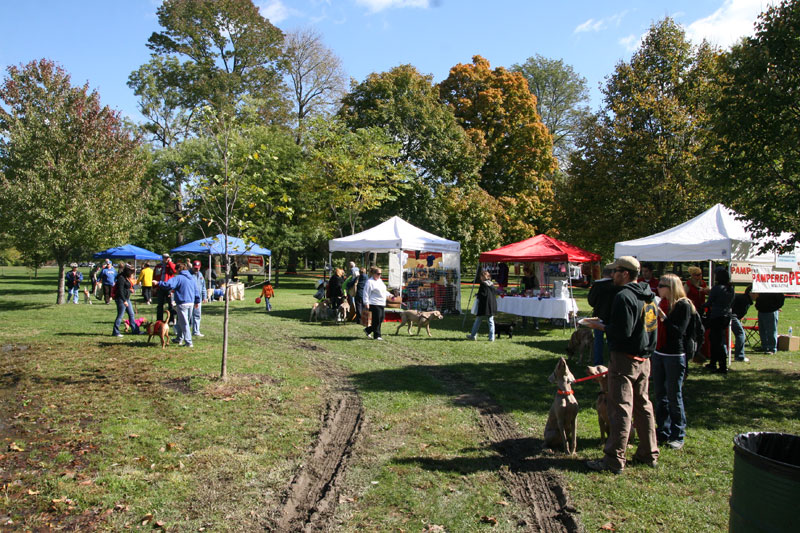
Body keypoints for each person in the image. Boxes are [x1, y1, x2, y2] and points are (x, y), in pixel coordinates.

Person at [585, 256, 659, 474]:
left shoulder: (624, 297)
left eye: (615, 271)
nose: (612, 275)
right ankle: (648, 453)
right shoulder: (649, 295)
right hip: (644, 358)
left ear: (625, 274)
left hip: (624, 359)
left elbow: (622, 331)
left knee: (620, 408)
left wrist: (600, 326)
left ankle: (614, 459)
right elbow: (652, 326)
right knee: (643, 406)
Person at [653, 273, 693, 450]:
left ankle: (678, 434)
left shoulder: (683, 305)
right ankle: (663, 430)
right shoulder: (661, 303)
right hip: (659, 352)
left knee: (673, 395)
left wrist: (663, 317)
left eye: (662, 285)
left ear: (671, 288)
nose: (658, 288)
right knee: (660, 395)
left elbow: (679, 332)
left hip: (674, 356)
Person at [154, 262, 199, 347]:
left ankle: (189, 342)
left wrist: (158, 283)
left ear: (178, 269)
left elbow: (169, 284)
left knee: (184, 323)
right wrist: (197, 301)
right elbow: (196, 290)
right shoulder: (191, 278)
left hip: (182, 303)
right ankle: (179, 338)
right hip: (191, 302)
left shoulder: (178, 278)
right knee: (180, 321)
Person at [588, 264, 622, 364]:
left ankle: (598, 363)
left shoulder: (597, 285)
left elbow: (591, 302)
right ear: (612, 274)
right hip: (612, 317)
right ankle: (614, 362)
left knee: (598, 342)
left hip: (599, 316)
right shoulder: (617, 286)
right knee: (612, 342)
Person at [704, 267, 735, 374]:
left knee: (716, 341)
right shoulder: (730, 288)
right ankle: (714, 363)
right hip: (726, 316)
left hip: (717, 316)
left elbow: (709, 302)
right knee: (717, 339)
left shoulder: (717, 288)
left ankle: (721, 366)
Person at [684, 266, 710, 360]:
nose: (700, 276)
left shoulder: (703, 283)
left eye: (701, 274)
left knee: (700, 331)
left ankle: (698, 351)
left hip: (701, 308)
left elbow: (708, 292)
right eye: (697, 275)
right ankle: (692, 351)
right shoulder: (688, 284)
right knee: (692, 330)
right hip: (691, 309)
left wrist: (705, 290)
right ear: (692, 275)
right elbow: (683, 294)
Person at [467, 269, 497, 341]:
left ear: (483, 277)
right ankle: (491, 337)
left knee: (478, 320)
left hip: (484, 305)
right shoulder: (492, 284)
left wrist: (477, 295)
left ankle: (473, 335)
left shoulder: (483, 284)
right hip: (491, 305)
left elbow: (483, 294)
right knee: (490, 321)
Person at [112, 265, 140, 337]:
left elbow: (128, 287)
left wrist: (137, 287)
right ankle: (115, 332)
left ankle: (135, 330)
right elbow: (120, 290)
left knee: (131, 314)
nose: (132, 274)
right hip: (121, 299)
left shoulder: (126, 278)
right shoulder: (121, 278)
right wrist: (124, 301)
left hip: (127, 298)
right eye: (131, 272)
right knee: (120, 316)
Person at [754, 290, 786, 355]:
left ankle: (772, 348)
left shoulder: (774, 288)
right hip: (761, 310)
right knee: (762, 330)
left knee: (771, 331)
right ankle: (764, 347)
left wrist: (776, 307)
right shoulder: (762, 287)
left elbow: (781, 298)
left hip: (771, 311)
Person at [364, 266, 390, 340]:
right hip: (374, 302)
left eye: (380, 274)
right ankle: (377, 335)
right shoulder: (370, 282)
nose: (380, 275)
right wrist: (366, 302)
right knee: (377, 319)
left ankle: (368, 330)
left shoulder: (380, 281)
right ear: (373, 273)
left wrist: (390, 294)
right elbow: (366, 293)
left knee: (381, 319)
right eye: (378, 274)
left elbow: (383, 291)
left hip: (381, 302)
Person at [731, 285, 753, 363]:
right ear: (751, 293)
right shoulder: (745, 300)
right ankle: (739, 356)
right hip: (732, 316)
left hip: (731, 315)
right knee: (741, 334)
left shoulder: (745, 299)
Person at [155, 253, 176, 324]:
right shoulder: (158, 266)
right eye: (165, 257)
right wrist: (155, 287)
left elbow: (174, 270)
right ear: (162, 258)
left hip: (169, 287)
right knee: (160, 305)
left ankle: (171, 320)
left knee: (170, 304)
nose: (166, 259)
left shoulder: (170, 265)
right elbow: (155, 276)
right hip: (160, 287)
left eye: (167, 257)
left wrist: (169, 263)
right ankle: (159, 320)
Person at [520, 264, 540, 330]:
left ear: (529, 272)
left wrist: (532, 290)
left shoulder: (534, 278)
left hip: (533, 296)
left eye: (525, 272)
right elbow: (522, 287)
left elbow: (537, 287)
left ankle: (536, 324)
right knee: (524, 310)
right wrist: (524, 291)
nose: (525, 274)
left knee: (534, 310)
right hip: (526, 295)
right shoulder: (523, 278)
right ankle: (524, 324)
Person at [190, 260, 206, 337]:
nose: (196, 269)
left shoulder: (200, 275)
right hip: (189, 298)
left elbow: (203, 286)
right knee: (187, 316)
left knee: (197, 315)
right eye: (195, 268)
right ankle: (181, 331)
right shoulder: (188, 274)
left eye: (198, 268)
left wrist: (204, 296)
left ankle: (196, 331)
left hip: (198, 298)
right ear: (192, 266)